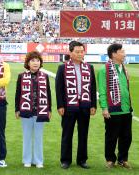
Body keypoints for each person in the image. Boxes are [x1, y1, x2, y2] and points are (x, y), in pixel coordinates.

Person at [55, 41, 96, 169]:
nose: (80, 54)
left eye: (81, 51)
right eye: (77, 52)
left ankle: (82, 160)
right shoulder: (63, 68)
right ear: (70, 53)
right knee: (67, 133)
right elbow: (59, 88)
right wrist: (60, 105)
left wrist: (93, 105)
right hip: (68, 106)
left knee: (83, 134)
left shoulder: (89, 67)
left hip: (84, 105)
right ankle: (65, 160)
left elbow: (92, 88)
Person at [98, 43, 133, 169]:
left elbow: (126, 89)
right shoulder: (104, 70)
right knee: (111, 137)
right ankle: (110, 159)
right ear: (114, 54)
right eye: (122, 51)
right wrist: (104, 107)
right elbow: (102, 90)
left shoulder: (124, 68)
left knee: (127, 137)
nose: (124, 54)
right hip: (113, 110)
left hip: (126, 109)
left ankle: (123, 159)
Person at [15, 51, 51, 168]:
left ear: (40, 63)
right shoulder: (22, 76)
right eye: (32, 60)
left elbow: (48, 93)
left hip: (40, 110)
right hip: (26, 110)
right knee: (27, 136)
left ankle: (38, 160)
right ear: (28, 63)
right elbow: (18, 94)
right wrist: (17, 109)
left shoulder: (44, 76)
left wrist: (49, 109)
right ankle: (27, 160)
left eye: (37, 60)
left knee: (38, 137)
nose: (35, 63)